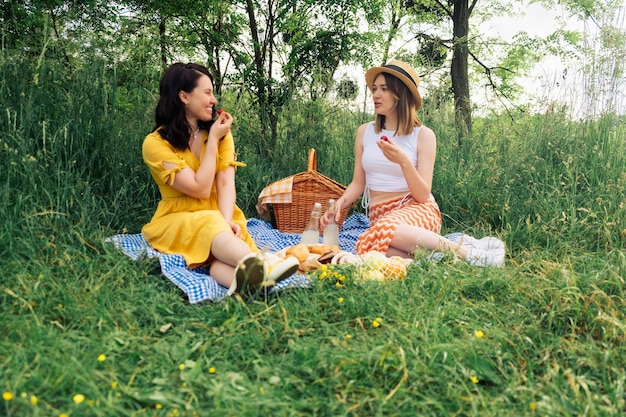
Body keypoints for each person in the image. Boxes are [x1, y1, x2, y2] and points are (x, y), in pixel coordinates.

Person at [321, 60, 504, 267]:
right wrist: (338, 205)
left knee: (378, 237)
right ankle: (438, 255)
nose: (375, 95)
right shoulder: (364, 132)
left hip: (417, 209)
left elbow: (422, 195)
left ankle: (473, 257)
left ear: (400, 94)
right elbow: (358, 183)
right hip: (379, 217)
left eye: (383, 89)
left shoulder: (423, 135)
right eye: (374, 89)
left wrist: (404, 162)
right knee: (368, 248)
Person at [141, 62, 299, 296]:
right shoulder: (155, 144)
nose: (213, 99)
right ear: (184, 97)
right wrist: (213, 140)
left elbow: (225, 183)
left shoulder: (222, 134)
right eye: (207, 92)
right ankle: (266, 265)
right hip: (178, 218)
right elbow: (200, 189)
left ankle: (254, 285)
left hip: (220, 213)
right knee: (212, 226)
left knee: (218, 260)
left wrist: (227, 221)